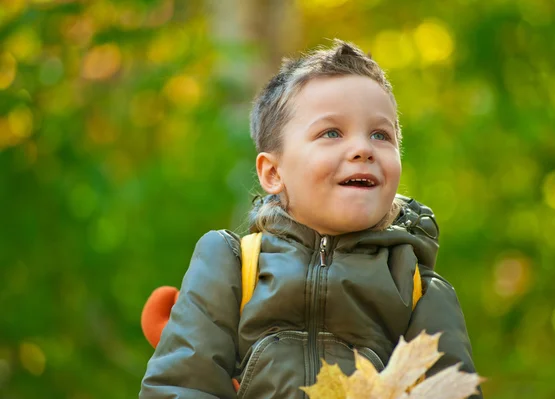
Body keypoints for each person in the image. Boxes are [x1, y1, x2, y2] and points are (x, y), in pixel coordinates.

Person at [139, 39, 481, 399]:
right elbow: (181, 386)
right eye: (331, 133)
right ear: (273, 173)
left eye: (381, 135)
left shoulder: (417, 289)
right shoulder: (233, 266)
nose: (363, 149)